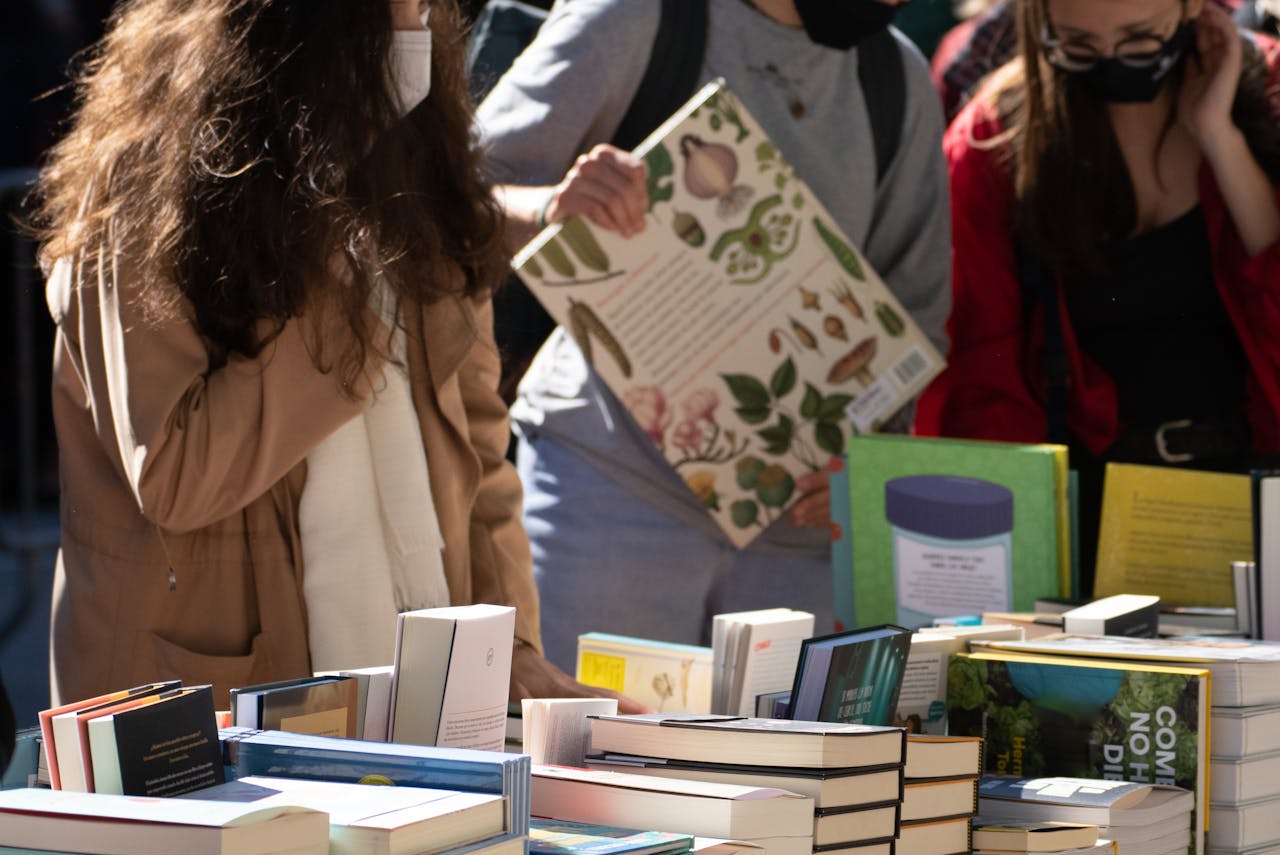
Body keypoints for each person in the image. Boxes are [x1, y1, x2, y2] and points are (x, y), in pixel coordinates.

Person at [34, 0, 634, 710]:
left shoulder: (414, 176)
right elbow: (175, 474)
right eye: (392, 10)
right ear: (292, 31)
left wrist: (510, 644)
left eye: (422, 7)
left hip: (409, 704)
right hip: (196, 716)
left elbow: (477, 447)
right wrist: (335, 274)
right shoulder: (142, 193)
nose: (416, 30)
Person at [478, 0, 952, 672]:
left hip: (799, 535)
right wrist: (554, 205)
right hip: (607, 497)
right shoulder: (635, 17)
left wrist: (864, 455)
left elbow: (916, 319)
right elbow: (445, 201)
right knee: (585, 768)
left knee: (786, 778)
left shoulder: (898, 76)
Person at [914, 0, 1280, 591]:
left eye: (1141, 39)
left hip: (1261, 503)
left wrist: (1221, 137)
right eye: (1078, 45)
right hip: (1088, 526)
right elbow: (980, 379)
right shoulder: (996, 136)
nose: (1112, 63)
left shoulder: (1267, 91)